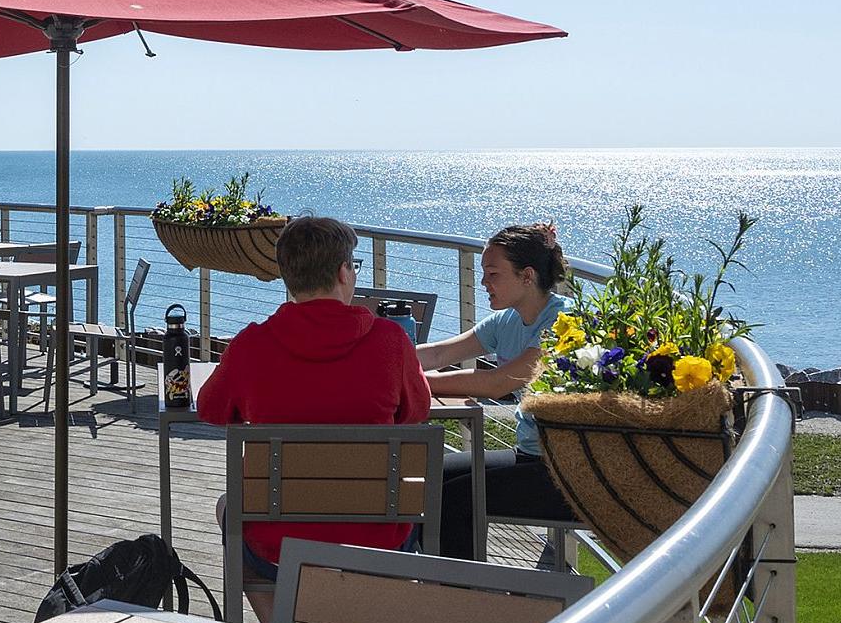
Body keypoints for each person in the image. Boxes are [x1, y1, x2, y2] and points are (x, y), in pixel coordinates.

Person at [198, 216, 431, 589]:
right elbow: (417, 411)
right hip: (378, 542)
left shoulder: (251, 346)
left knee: (230, 507)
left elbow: (210, 409)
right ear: (343, 272)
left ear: (288, 276)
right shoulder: (391, 340)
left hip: (279, 546)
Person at [415, 222, 575, 564]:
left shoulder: (563, 323)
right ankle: (449, 587)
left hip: (562, 472)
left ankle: (461, 597)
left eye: (493, 274)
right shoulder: (508, 321)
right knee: (430, 479)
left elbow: (500, 382)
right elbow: (440, 354)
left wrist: (414, 381)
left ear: (527, 276)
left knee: (453, 499)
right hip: (529, 457)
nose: (484, 282)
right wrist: (382, 358)